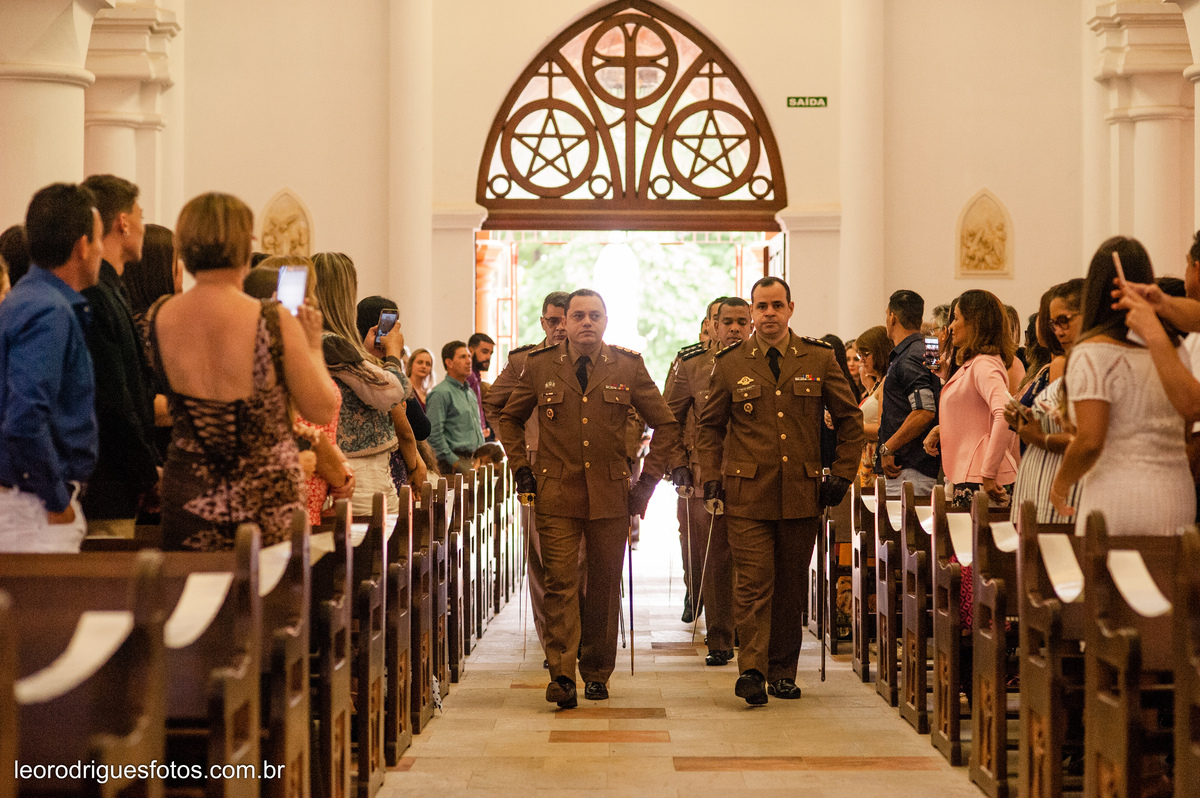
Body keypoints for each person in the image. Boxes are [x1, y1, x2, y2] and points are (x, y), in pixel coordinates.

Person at [499, 288, 686, 708]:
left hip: (610, 494)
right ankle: (562, 674)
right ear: (562, 322)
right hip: (556, 492)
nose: (586, 322)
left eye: (595, 316)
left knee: (603, 584)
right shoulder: (540, 365)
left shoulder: (628, 366)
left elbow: (667, 424)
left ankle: (597, 671)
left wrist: (646, 483)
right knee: (560, 583)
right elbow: (507, 417)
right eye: (578, 316)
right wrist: (521, 468)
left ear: (605, 321)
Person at [696, 276, 863, 705]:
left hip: (801, 492)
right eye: (761, 306)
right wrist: (711, 474)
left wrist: (841, 473)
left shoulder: (820, 358)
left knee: (790, 586)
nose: (768, 313)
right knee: (752, 583)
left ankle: (782, 671)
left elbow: (850, 420)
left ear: (790, 308)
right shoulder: (732, 362)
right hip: (747, 494)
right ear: (752, 312)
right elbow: (709, 426)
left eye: (776, 305)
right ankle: (751, 670)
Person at [147, 193, 338, 550]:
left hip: (191, 490)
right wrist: (313, 346)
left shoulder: (161, 315)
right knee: (269, 600)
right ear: (243, 246)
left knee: (196, 601)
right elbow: (320, 408)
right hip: (266, 495)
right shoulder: (272, 319)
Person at [1050, 237, 1195, 535]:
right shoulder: (1177, 347)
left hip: (1116, 496)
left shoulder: (1092, 352)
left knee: (1108, 580)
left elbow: (1091, 441)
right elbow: (1182, 430)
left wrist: (1061, 483)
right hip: (1176, 493)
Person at [0, 184, 103, 552]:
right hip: (33, 512)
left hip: (27, 504)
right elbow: (25, 417)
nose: (101, 251)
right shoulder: (49, 310)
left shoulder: (28, 298)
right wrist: (56, 499)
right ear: (82, 246)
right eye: (99, 240)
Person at [664, 296, 751, 666]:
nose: (733, 328)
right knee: (714, 558)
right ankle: (719, 638)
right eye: (725, 321)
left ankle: (748, 632)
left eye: (740, 322)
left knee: (752, 559)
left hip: (753, 472)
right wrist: (678, 464)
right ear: (712, 325)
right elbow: (669, 419)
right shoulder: (693, 364)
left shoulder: (761, 363)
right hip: (705, 473)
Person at [483, 290, 570, 654]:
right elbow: (494, 404)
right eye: (554, 321)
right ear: (543, 322)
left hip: (582, 467)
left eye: (568, 319)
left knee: (578, 557)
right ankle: (549, 631)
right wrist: (518, 446)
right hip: (534, 467)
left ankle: (574, 628)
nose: (562, 328)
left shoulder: (601, 357)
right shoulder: (525, 360)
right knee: (540, 554)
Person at [77, 174, 159, 537]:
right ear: (123, 222)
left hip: (120, 480)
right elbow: (112, 399)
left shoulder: (112, 289)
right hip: (106, 481)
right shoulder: (97, 294)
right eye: (140, 215)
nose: (143, 225)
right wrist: (146, 474)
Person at [312, 252, 413, 515]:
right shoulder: (331, 342)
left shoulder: (322, 340)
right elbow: (390, 392)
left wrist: (368, 353)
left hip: (360, 467)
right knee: (376, 553)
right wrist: (392, 354)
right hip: (360, 471)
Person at [925, 289, 1018, 510]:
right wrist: (931, 337)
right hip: (970, 473)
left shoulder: (984, 364)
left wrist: (989, 471)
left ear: (975, 323)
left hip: (981, 477)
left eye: (956, 319)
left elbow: (1005, 413)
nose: (951, 327)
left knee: (972, 544)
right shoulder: (972, 363)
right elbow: (932, 365)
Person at [1008, 280, 1083, 524]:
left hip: (1058, 476)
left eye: (1063, 321)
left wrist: (1041, 437)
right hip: (1041, 475)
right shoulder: (1060, 363)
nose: (1055, 330)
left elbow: (1086, 438)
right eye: (1051, 322)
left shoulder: (1069, 364)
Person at [879, 290, 940, 498]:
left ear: (892, 317)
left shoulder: (907, 357)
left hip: (909, 470)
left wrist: (888, 448)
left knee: (902, 530)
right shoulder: (930, 347)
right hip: (927, 466)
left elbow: (925, 411)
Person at [428, 340, 487, 474]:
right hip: (454, 462)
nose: (469, 361)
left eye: (469, 357)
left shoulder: (470, 392)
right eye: (462, 357)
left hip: (475, 459)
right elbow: (434, 434)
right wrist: (454, 461)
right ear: (449, 363)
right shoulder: (440, 393)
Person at [854, 325, 891, 487]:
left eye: (865, 355)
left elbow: (881, 429)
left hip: (876, 459)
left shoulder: (886, 383)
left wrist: (851, 425)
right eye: (859, 355)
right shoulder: (878, 383)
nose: (861, 360)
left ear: (880, 352)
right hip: (867, 457)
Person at [467, 332, 496, 439]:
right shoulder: (469, 377)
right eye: (484, 352)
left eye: (490, 353)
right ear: (470, 350)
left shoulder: (477, 377)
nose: (488, 357)